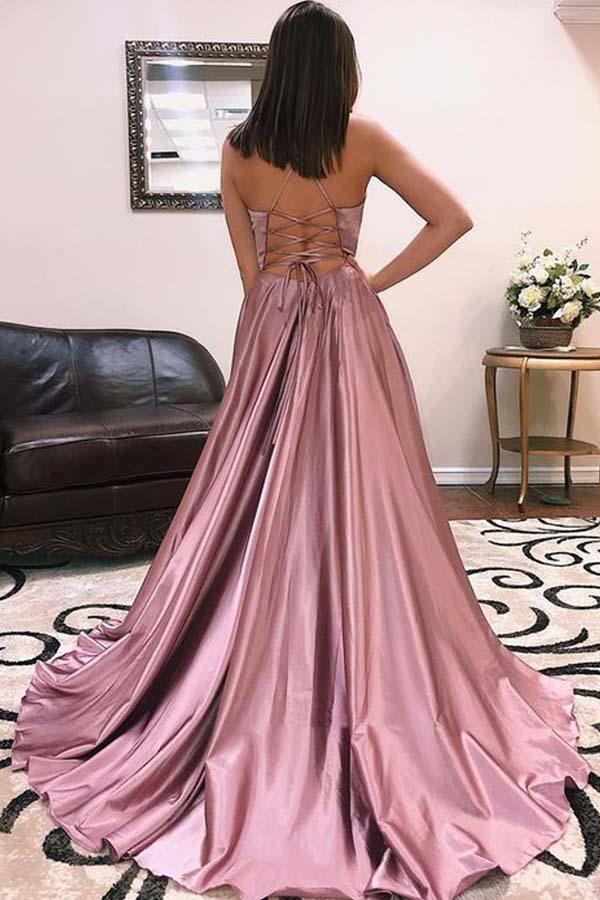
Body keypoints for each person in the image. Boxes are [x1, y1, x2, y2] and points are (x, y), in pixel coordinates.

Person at [11, 3, 591, 899]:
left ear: (277, 67)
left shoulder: (239, 148)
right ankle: (356, 614)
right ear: (342, 69)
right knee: (362, 479)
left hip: (274, 319)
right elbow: (452, 218)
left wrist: (271, 330)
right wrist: (366, 280)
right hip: (346, 323)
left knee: (258, 479)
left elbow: (250, 278)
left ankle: (257, 625)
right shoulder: (363, 138)